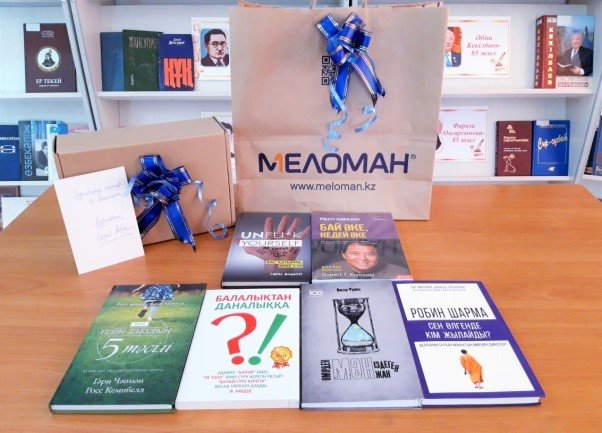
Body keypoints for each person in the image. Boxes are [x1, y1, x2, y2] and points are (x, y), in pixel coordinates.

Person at [313, 241, 409, 279]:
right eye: (355, 253)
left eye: (370, 254)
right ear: (344, 254)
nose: (363, 258)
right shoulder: (321, 274)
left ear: (378, 255)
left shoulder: (400, 273)